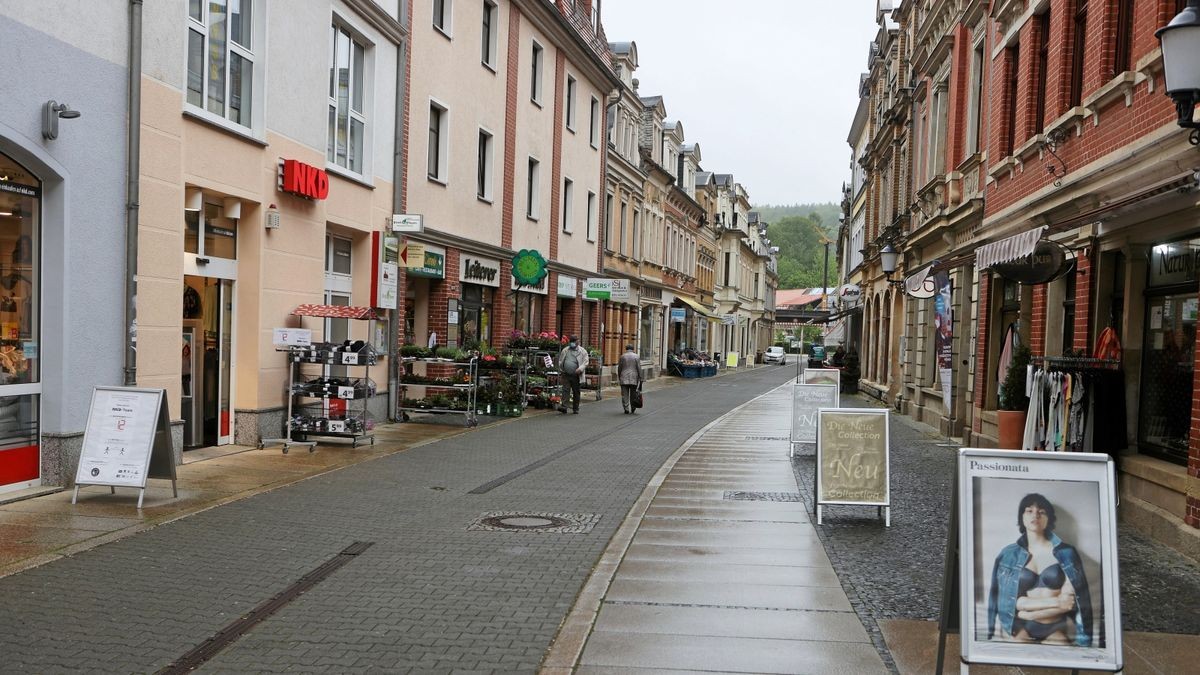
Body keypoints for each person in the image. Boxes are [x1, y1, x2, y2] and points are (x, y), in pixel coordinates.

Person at [987, 493, 1093, 647]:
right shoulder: (1008, 554)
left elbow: (1069, 603)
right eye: (1029, 510)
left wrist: (1027, 610)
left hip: (1055, 626)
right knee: (1014, 660)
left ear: (1048, 518)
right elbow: (1003, 598)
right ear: (1021, 517)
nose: (1035, 515)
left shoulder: (1067, 553)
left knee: (1064, 659)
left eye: (1041, 512)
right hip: (1019, 627)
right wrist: (1057, 602)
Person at [557, 335, 589, 414]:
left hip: (576, 375)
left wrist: (580, 369)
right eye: (571, 342)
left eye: (574, 342)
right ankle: (564, 406)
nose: (572, 343)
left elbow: (586, 362)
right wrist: (562, 369)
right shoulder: (566, 350)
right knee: (565, 390)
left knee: (576, 391)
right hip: (566, 374)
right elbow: (561, 360)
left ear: (578, 342)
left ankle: (576, 408)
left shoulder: (582, 351)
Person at [618, 344, 643, 414]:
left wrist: (619, 376)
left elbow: (619, 367)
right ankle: (633, 407)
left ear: (626, 349)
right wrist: (641, 377)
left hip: (624, 377)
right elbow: (639, 368)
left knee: (624, 394)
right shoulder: (636, 356)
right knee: (633, 394)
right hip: (633, 377)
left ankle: (626, 408)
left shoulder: (622, 356)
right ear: (633, 349)